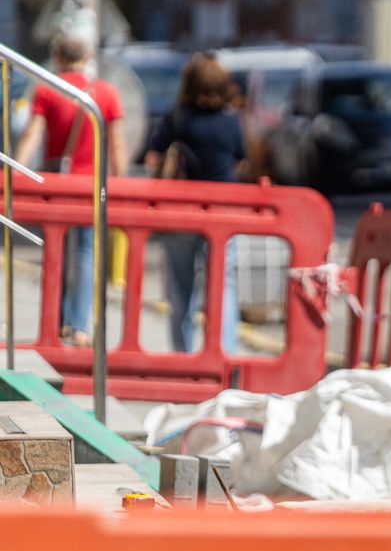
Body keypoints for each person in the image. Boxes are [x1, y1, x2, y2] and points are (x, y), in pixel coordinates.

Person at [14, 34, 127, 347]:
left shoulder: (49, 90)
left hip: (59, 187)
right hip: (92, 185)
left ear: (58, 59)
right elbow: (116, 144)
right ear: (88, 59)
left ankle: (58, 321)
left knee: (57, 250)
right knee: (87, 252)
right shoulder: (105, 93)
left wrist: (15, 173)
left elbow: (32, 135)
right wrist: (121, 182)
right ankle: (79, 325)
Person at [145, 53, 245, 354]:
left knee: (180, 288)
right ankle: (224, 353)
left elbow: (153, 157)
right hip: (223, 213)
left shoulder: (177, 118)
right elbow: (240, 161)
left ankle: (183, 355)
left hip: (181, 212)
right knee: (222, 285)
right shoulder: (230, 122)